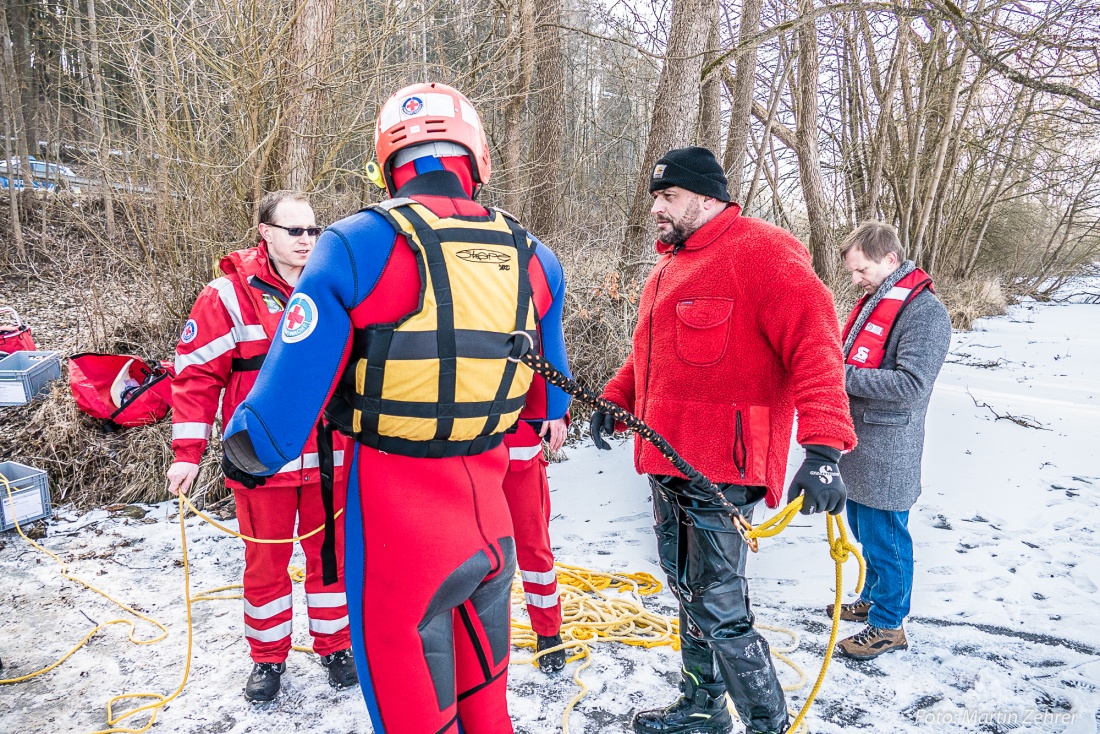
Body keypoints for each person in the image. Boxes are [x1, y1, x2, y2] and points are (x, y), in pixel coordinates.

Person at [220, 82, 571, 734]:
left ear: (387, 162)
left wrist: (239, 455)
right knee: (487, 709)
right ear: (478, 158)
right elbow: (548, 404)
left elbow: (274, 422)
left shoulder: (357, 243)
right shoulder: (535, 257)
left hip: (399, 540)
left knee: (417, 719)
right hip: (492, 530)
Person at [590, 146, 857, 734]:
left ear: (708, 197)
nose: (657, 207)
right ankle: (703, 707)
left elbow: (816, 349)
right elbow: (650, 357)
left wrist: (824, 448)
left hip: (723, 468)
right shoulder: (670, 265)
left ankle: (768, 725)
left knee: (719, 605)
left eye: (669, 196)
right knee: (688, 590)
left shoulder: (764, 253)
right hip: (668, 458)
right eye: (656, 196)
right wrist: (617, 396)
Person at [166, 191, 357, 702]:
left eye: (314, 231)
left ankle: (335, 646)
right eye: (295, 231)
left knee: (332, 560)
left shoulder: (334, 287)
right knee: (266, 563)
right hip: (260, 458)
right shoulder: (226, 296)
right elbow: (196, 377)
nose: (307, 241)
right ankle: (268, 658)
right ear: (266, 233)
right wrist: (187, 454)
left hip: (329, 457)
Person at [831, 222, 951, 660]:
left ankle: (888, 625)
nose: (855, 279)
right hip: (862, 442)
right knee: (865, 529)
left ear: (890, 260)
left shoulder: (925, 312)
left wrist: (839, 376)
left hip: (889, 446)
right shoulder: (878, 300)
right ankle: (873, 598)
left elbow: (911, 384)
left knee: (887, 537)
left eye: (861, 270)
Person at [503, 414, 568, 673]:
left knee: (533, 551)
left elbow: (554, 375)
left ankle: (548, 632)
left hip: (520, 455)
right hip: (464, 458)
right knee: (465, 556)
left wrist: (557, 412)